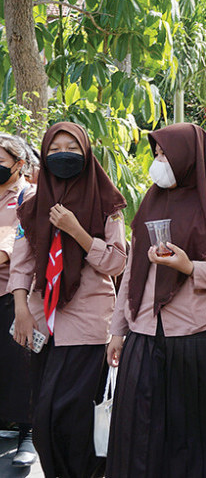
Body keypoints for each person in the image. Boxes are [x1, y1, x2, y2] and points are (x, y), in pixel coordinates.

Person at [106, 123, 206, 478]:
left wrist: (191, 267)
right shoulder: (150, 202)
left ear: (188, 158)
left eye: (165, 155)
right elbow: (132, 272)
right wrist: (117, 330)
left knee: (198, 443)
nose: (158, 163)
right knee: (139, 439)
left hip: (200, 339)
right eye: (156, 155)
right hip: (144, 335)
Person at [10, 122, 127, 478]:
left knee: (75, 417)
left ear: (87, 152)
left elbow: (118, 261)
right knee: (44, 418)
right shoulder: (31, 203)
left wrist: (77, 231)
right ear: (44, 155)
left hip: (88, 324)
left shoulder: (107, 200)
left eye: (72, 147)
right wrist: (20, 309)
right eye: (55, 147)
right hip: (42, 321)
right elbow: (22, 261)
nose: (63, 154)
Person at [0, 134, 36, 467]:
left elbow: (8, 250)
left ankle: (28, 433)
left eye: (1, 162)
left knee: (19, 364)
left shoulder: (28, 195)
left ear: (19, 164)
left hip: (14, 294)